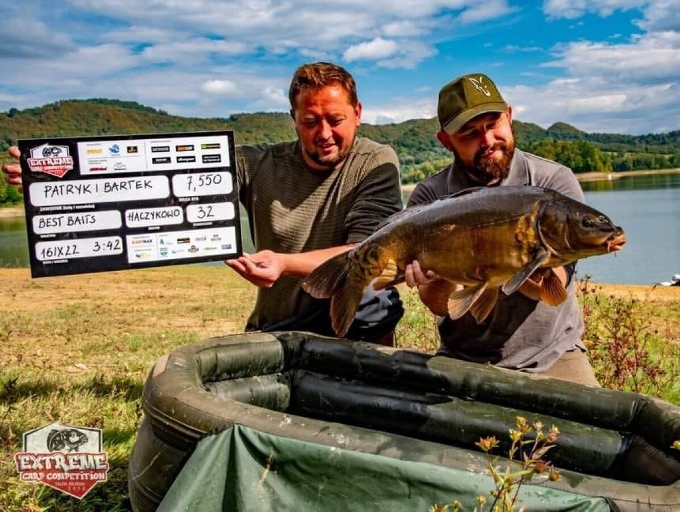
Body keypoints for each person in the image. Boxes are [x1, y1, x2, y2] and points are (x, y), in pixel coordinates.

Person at [2, 62, 404, 345]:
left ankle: (373, 373)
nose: (324, 133)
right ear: (293, 118)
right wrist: (61, 176)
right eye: (310, 121)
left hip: (345, 311)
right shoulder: (257, 162)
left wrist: (282, 264)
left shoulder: (376, 161)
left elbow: (367, 250)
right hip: (279, 320)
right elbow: (160, 183)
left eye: (335, 119)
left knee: (372, 293)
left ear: (357, 113)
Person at [403, 73, 602, 386]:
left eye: (493, 124)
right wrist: (437, 275)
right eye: (469, 134)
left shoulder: (553, 184)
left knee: (594, 430)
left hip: (553, 353)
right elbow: (440, 304)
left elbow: (549, 291)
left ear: (509, 116)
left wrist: (505, 256)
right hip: (462, 355)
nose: (487, 141)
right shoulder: (429, 200)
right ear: (446, 141)